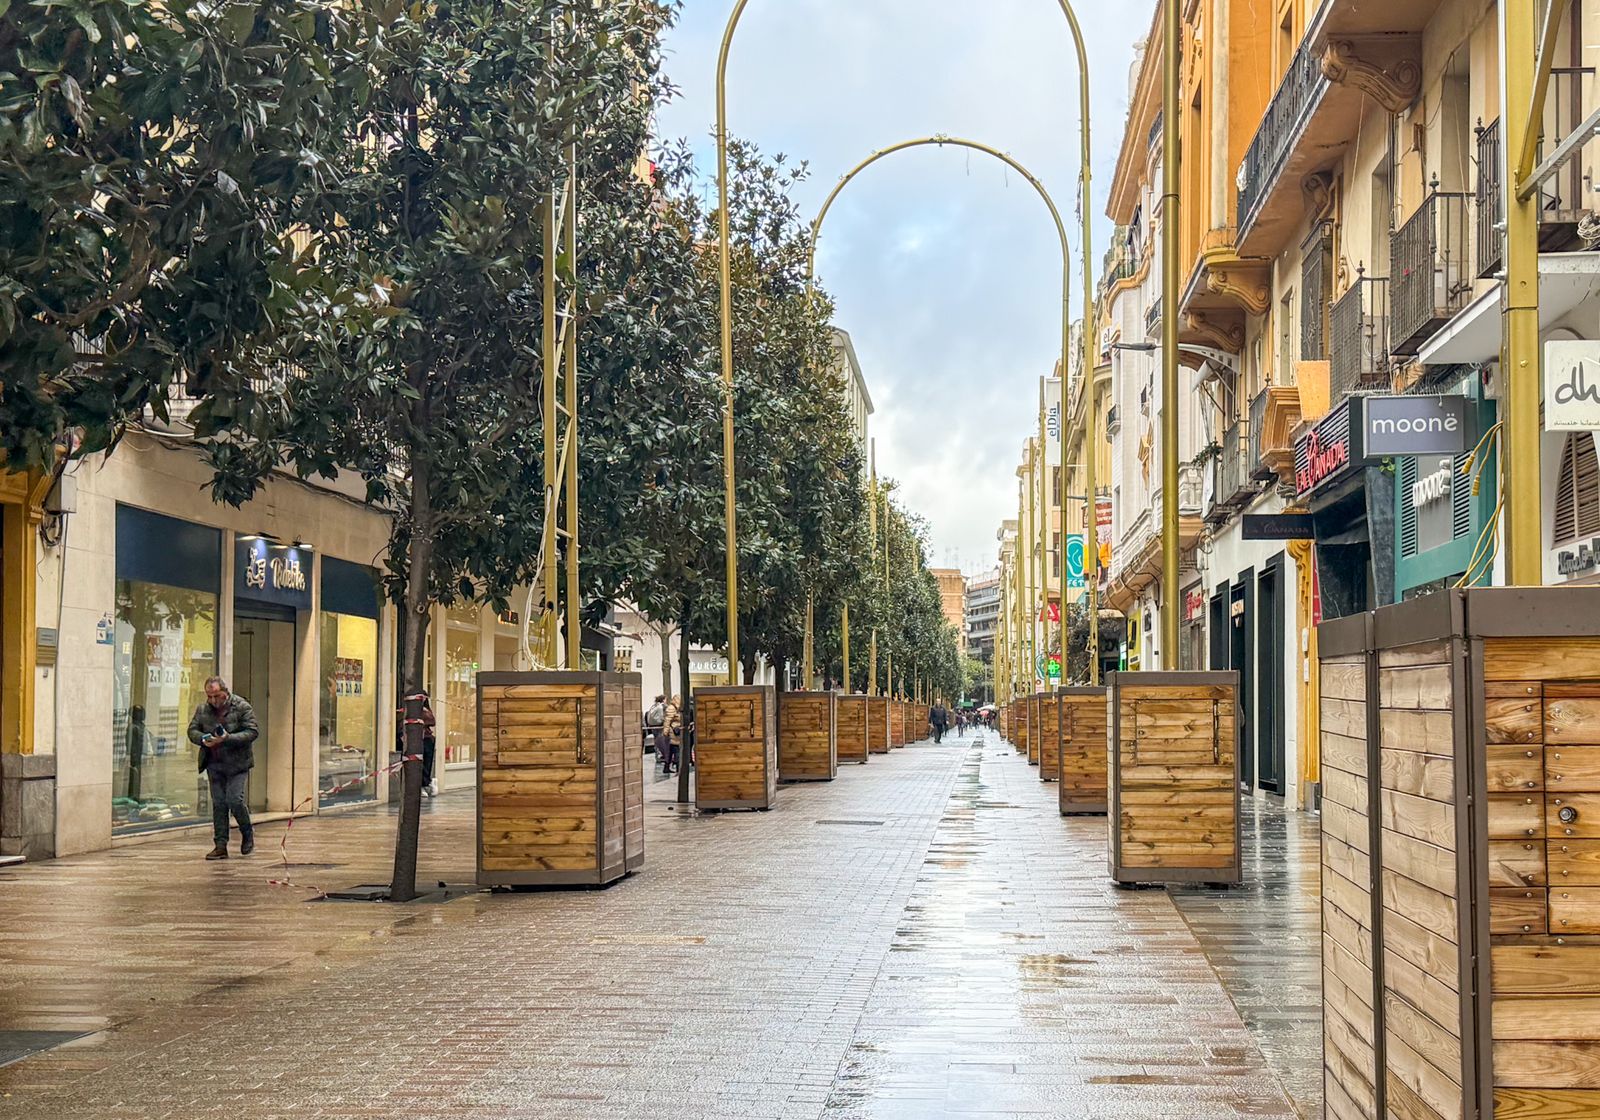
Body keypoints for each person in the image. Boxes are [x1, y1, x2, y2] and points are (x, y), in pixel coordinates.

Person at [189, 676, 259, 860]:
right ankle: (220, 845)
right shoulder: (203, 709)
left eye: (216, 696)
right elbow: (192, 730)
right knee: (219, 803)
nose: (213, 700)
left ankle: (247, 832)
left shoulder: (242, 707)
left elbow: (252, 731)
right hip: (214, 763)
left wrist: (228, 738)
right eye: (209, 696)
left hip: (237, 763)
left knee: (234, 799)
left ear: (225, 692)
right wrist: (203, 739)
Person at [125, 704, 152, 802]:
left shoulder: (140, 726)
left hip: (140, 757)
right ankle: (133, 797)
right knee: (134, 778)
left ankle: (136, 796)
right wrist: (131, 757)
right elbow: (130, 744)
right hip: (135, 758)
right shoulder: (133, 727)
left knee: (138, 779)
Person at [663, 694, 683, 775]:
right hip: (673, 732)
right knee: (676, 750)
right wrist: (666, 731)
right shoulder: (672, 708)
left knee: (671, 751)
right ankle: (678, 768)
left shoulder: (675, 708)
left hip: (674, 731)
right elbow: (667, 720)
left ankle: (667, 767)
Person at [645, 694, 667, 760]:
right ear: (663, 700)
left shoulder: (654, 706)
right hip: (659, 725)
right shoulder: (662, 706)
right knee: (661, 740)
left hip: (653, 726)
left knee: (656, 740)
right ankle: (664, 755)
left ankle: (657, 755)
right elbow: (662, 717)